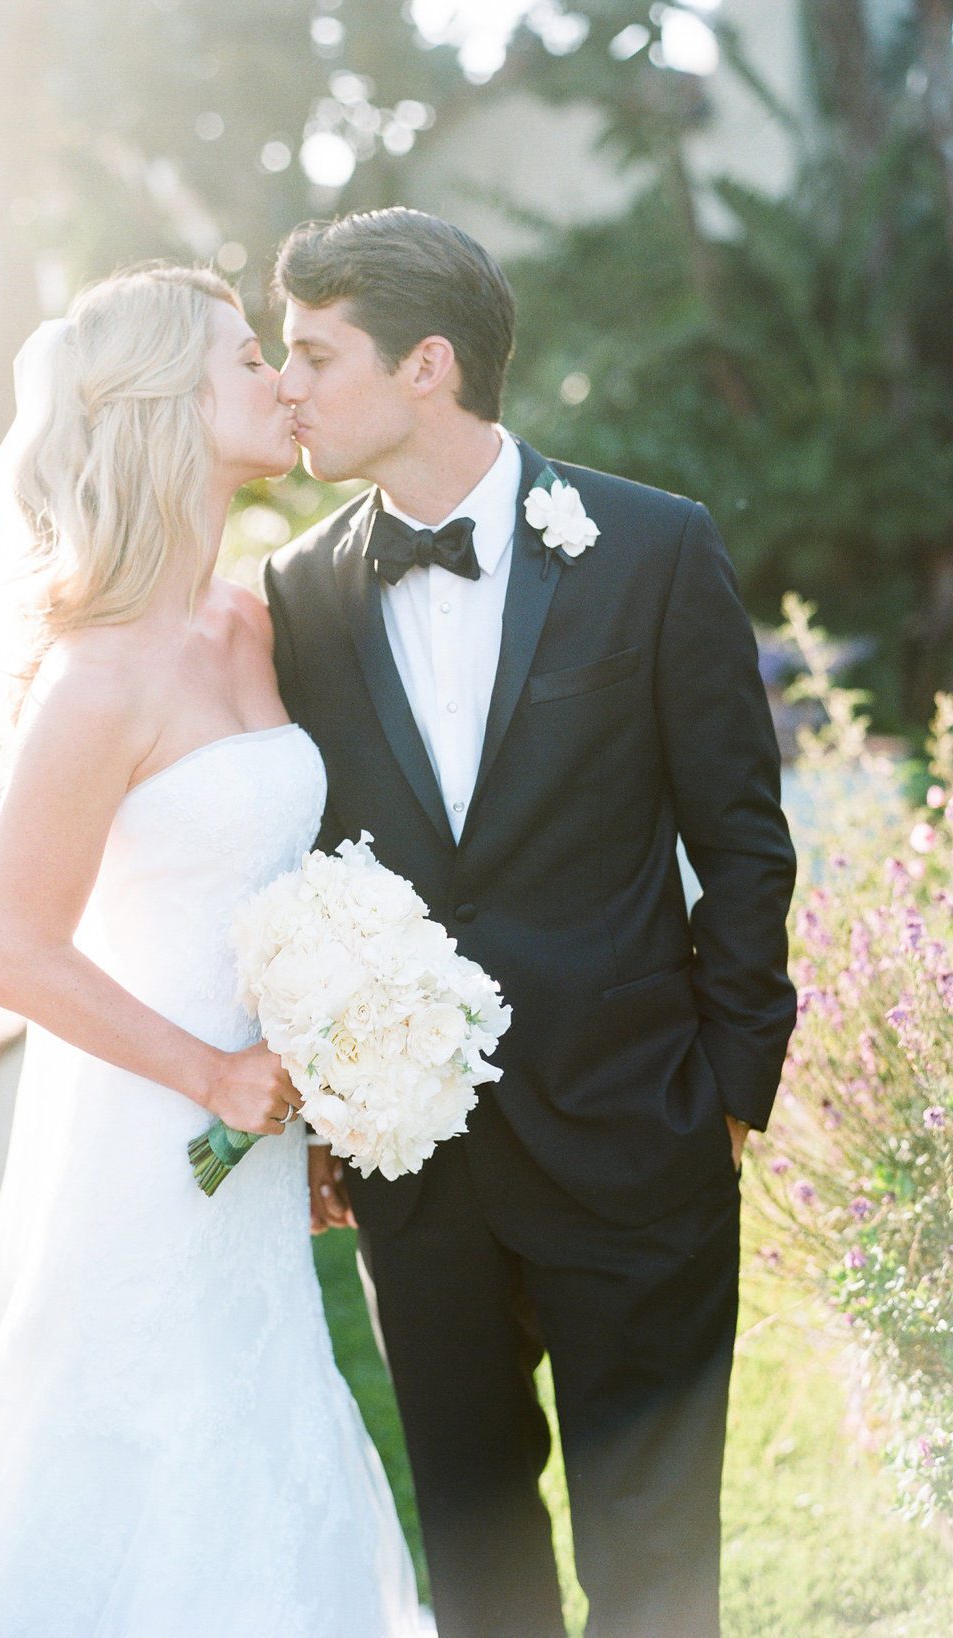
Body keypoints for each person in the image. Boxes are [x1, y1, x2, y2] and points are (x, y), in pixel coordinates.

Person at [0, 266, 419, 1638]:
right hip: (145, 1119)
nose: (280, 378)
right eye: (242, 360)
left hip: (256, 1124)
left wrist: (322, 1068)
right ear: (165, 406)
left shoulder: (251, 620)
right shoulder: (98, 677)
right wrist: (214, 1075)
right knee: (145, 1423)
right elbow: (4, 947)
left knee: (261, 1401)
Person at [263, 208, 797, 1638]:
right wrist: (333, 1105)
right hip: (418, 1167)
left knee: (656, 1553)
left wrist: (732, 1080)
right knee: (480, 1554)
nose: (285, 386)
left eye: (315, 352)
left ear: (426, 363)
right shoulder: (300, 594)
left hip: (641, 1129)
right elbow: (308, 860)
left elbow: (742, 839)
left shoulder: (654, 548)